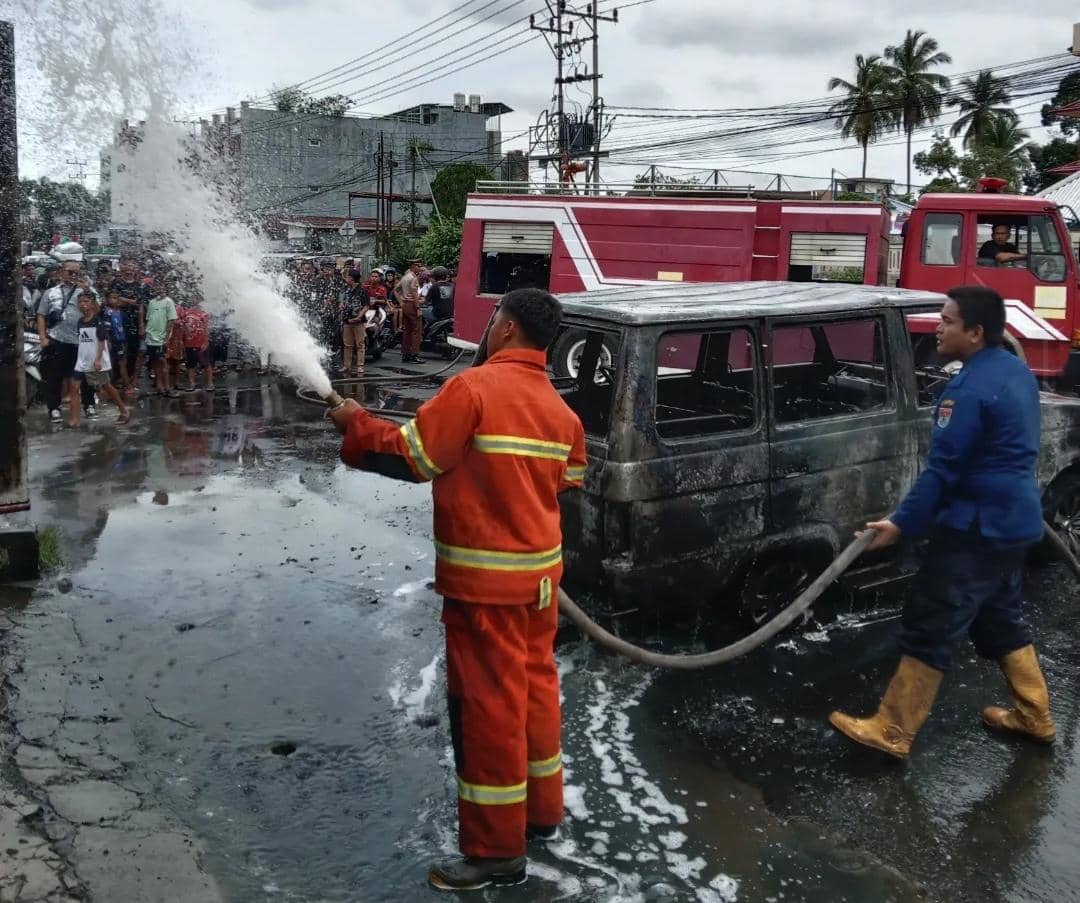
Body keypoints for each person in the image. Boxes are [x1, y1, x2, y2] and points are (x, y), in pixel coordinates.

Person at [330, 288, 587, 891]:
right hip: (539, 585)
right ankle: (541, 814)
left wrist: (354, 423)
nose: (490, 326)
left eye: (495, 318)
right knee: (534, 694)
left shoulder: (472, 390)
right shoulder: (562, 412)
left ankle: (496, 852)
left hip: (486, 590)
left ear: (507, 328)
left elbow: (413, 458)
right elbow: (566, 482)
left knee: (488, 712)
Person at [829, 286, 1053, 760]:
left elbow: (943, 471)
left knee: (932, 620)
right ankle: (1034, 715)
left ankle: (892, 730)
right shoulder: (1015, 371)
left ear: (975, 332)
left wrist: (899, 523)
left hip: (975, 529)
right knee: (1000, 616)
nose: (938, 328)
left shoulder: (966, 390)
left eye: (948, 321)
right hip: (1015, 523)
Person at [37, 253, 96, 423]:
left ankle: (89, 404)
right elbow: (41, 315)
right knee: (54, 376)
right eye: (70, 272)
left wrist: (87, 291)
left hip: (83, 340)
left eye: (77, 272)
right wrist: (43, 337)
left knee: (86, 375)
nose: (73, 275)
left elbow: (98, 311)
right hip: (58, 339)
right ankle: (54, 408)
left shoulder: (87, 291)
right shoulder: (51, 293)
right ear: (61, 272)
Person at [68, 291, 130, 428]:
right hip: (82, 360)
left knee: (107, 386)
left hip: (96, 360)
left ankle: (124, 410)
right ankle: (74, 419)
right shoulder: (80, 322)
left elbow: (101, 342)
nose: (82, 305)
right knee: (74, 387)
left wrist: (97, 360)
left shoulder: (97, 321)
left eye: (86, 302)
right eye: (80, 302)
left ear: (92, 304)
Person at [111, 258, 148, 396]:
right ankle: (116, 379)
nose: (129, 269)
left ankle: (130, 379)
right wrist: (131, 301)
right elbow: (113, 300)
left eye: (132, 266)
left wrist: (141, 324)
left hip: (135, 322)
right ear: (122, 267)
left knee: (133, 351)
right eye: (127, 265)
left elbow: (141, 305)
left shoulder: (139, 285)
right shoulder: (116, 282)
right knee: (118, 351)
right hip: (118, 321)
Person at [140, 277, 179, 397]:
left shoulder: (168, 302)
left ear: (165, 289)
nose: (159, 289)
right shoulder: (152, 302)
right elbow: (148, 319)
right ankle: (159, 387)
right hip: (150, 338)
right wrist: (146, 333)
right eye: (157, 287)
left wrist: (166, 338)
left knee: (163, 362)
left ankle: (167, 388)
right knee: (155, 362)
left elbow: (171, 321)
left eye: (162, 287)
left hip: (161, 339)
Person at [339, 268, 371, 376]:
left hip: (358, 321)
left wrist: (359, 316)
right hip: (347, 321)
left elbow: (366, 306)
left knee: (360, 344)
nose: (345, 278)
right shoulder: (346, 290)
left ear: (352, 278)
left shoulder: (362, 290)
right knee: (347, 345)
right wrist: (341, 305)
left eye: (347, 276)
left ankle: (360, 366)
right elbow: (341, 302)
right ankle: (346, 365)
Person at [181, 298, 213, 392]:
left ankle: (210, 383)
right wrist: (183, 341)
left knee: (206, 364)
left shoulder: (204, 313)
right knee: (190, 364)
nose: (194, 301)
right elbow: (184, 328)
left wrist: (206, 341)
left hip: (200, 343)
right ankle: (192, 383)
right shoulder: (187, 313)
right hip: (189, 343)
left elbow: (207, 328)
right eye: (192, 299)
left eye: (196, 300)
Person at [398, 257, 423, 363]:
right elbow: (414, 293)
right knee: (416, 331)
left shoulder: (405, 277)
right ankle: (414, 355)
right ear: (413, 266)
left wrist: (401, 300)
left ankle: (406, 354)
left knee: (407, 330)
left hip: (405, 305)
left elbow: (396, 289)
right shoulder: (413, 278)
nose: (420, 268)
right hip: (412, 305)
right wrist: (418, 308)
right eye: (418, 266)